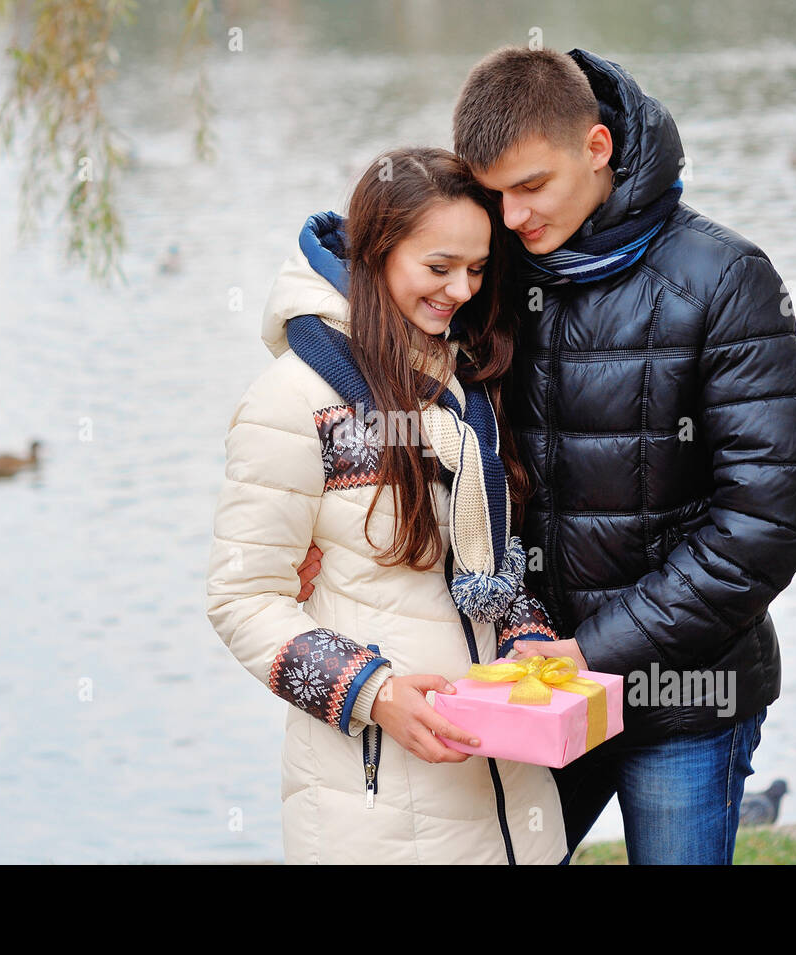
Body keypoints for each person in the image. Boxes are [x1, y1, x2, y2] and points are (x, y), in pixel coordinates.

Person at [300, 47, 796, 864]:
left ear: (596, 146)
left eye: (530, 187)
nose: (511, 218)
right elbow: (373, 302)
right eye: (494, 192)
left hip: (683, 697)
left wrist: (595, 652)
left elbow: (772, 517)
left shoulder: (725, 279)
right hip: (519, 686)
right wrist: (313, 514)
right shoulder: (491, 274)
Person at [205, 146, 568, 864]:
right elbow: (241, 597)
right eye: (438, 268)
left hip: (512, 802)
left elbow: (485, 565)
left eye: (476, 268)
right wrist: (375, 691)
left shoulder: (459, 377)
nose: (462, 289)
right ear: (374, 256)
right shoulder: (292, 400)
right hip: (375, 805)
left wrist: (526, 637)